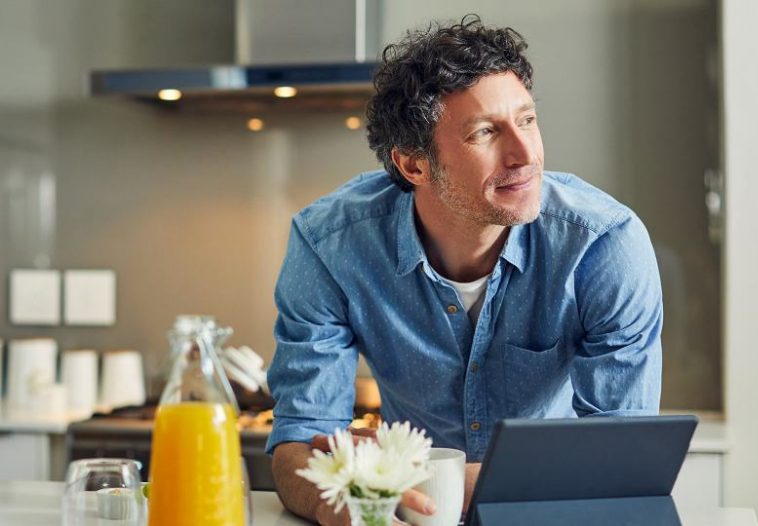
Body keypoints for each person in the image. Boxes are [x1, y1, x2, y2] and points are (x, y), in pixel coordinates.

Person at [267, 14, 663, 525]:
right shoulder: (329, 245)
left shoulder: (605, 244)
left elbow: (621, 458)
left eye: (526, 119)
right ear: (414, 165)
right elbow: (298, 441)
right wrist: (338, 500)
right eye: (485, 132)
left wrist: (404, 478)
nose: (525, 155)